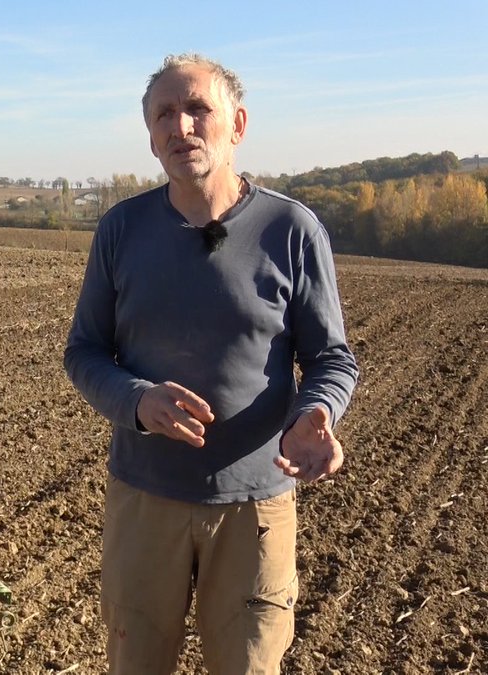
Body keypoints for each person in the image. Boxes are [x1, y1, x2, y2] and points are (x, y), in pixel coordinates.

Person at [63, 53, 359, 674]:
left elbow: (331, 357)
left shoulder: (291, 229)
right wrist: (138, 401)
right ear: (150, 136)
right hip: (145, 499)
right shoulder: (122, 230)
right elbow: (85, 351)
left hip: (255, 509)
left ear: (238, 124)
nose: (182, 127)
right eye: (164, 114)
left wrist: (318, 413)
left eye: (198, 109)